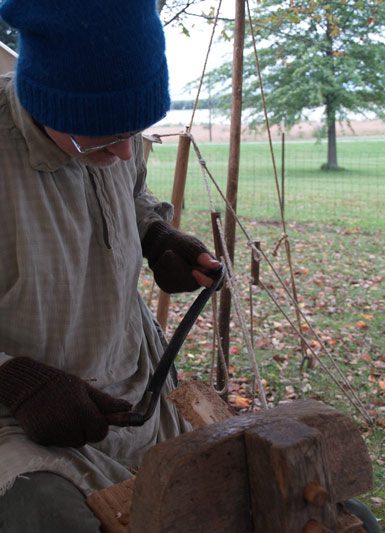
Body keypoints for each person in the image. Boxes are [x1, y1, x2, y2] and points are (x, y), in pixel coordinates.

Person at [0, 1, 220, 531]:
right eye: (100, 140)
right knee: (56, 520)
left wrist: (155, 234)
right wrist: (16, 381)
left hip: (133, 389)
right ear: (41, 99)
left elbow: (133, 192)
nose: (126, 152)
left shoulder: (116, 137)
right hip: (15, 419)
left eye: (135, 132)